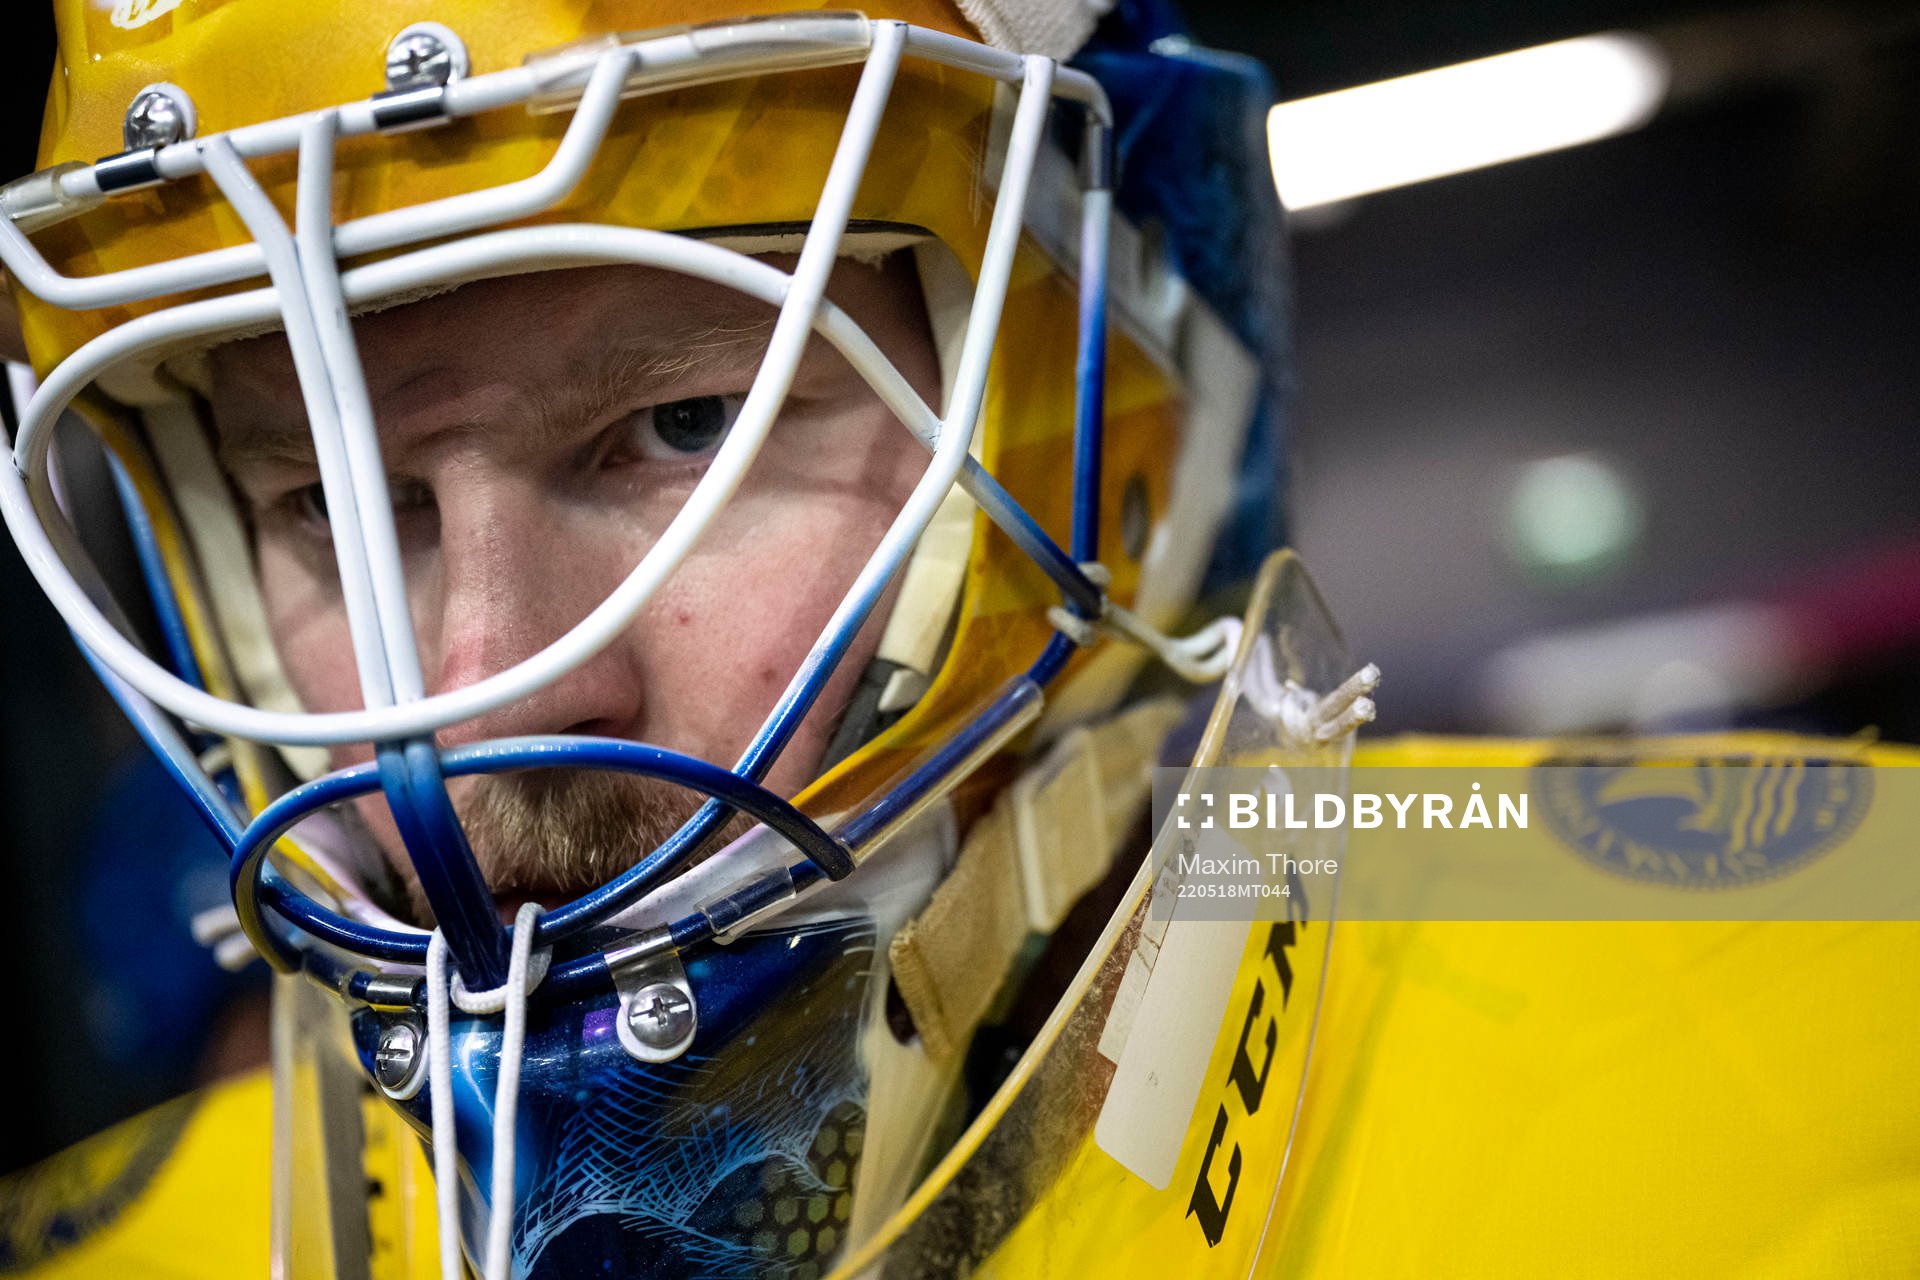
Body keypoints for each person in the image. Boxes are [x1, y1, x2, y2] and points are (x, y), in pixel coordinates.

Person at [2, 2, 1917, 1278]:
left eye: (679, 425)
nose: (490, 691)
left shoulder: (1863, 962)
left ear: (1100, 390)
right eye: (329, 502)